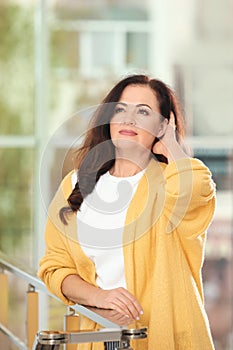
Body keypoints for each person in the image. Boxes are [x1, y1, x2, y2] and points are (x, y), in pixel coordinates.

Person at [38, 74, 216, 350]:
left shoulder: (172, 180)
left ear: (162, 124)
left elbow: (194, 188)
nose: (128, 119)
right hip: (100, 339)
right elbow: (55, 267)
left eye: (143, 112)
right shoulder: (75, 184)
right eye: (120, 109)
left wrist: (170, 144)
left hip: (167, 337)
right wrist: (100, 296)